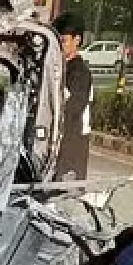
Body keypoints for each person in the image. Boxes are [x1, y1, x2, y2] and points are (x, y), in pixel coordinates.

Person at [53, 12, 93, 181]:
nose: (59, 46)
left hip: (73, 142)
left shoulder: (80, 73)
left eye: (63, 41)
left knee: (62, 190)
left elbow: (72, 109)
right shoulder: (57, 68)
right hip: (55, 140)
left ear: (77, 40)